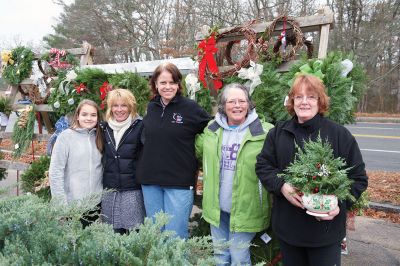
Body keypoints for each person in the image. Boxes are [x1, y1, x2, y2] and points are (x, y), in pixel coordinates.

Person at [256, 74, 368, 266]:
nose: (304, 102)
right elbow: (263, 166)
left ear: (320, 100)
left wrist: (338, 205)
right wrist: (281, 186)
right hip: (289, 231)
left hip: (325, 233)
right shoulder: (279, 133)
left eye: (311, 96)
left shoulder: (339, 135)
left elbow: (358, 179)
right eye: (298, 97)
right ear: (292, 101)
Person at [196, 83, 273, 265]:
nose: (237, 105)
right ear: (223, 105)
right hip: (217, 208)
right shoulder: (211, 130)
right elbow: (195, 150)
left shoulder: (265, 132)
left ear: (249, 104)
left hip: (246, 208)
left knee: (239, 258)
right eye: (232, 101)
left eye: (242, 101)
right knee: (220, 256)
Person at [136, 62, 210, 239]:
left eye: (172, 82)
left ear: (178, 84)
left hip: (179, 181)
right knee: (155, 234)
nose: (167, 87)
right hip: (150, 180)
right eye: (163, 82)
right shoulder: (151, 107)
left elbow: (211, 131)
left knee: (175, 236)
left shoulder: (190, 108)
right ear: (155, 84)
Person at [49, 99, 104, 226]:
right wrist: (61, 204)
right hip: (72, 204)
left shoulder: (99, 136)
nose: (89, 118)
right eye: (84, 114)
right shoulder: (66, 137)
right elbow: (56, 172)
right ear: (77, 116)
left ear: (98, 117)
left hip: (94, 204)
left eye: (93, 115)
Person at [100, 88, 145, 234]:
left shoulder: (140, 126)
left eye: (123, 105)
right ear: (110, 108)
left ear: (130, 107)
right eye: (115, 105)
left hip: (132, 190)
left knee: (134, 233)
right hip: (110, 190)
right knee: (113, 234)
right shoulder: (103, 128)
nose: (119, 110)